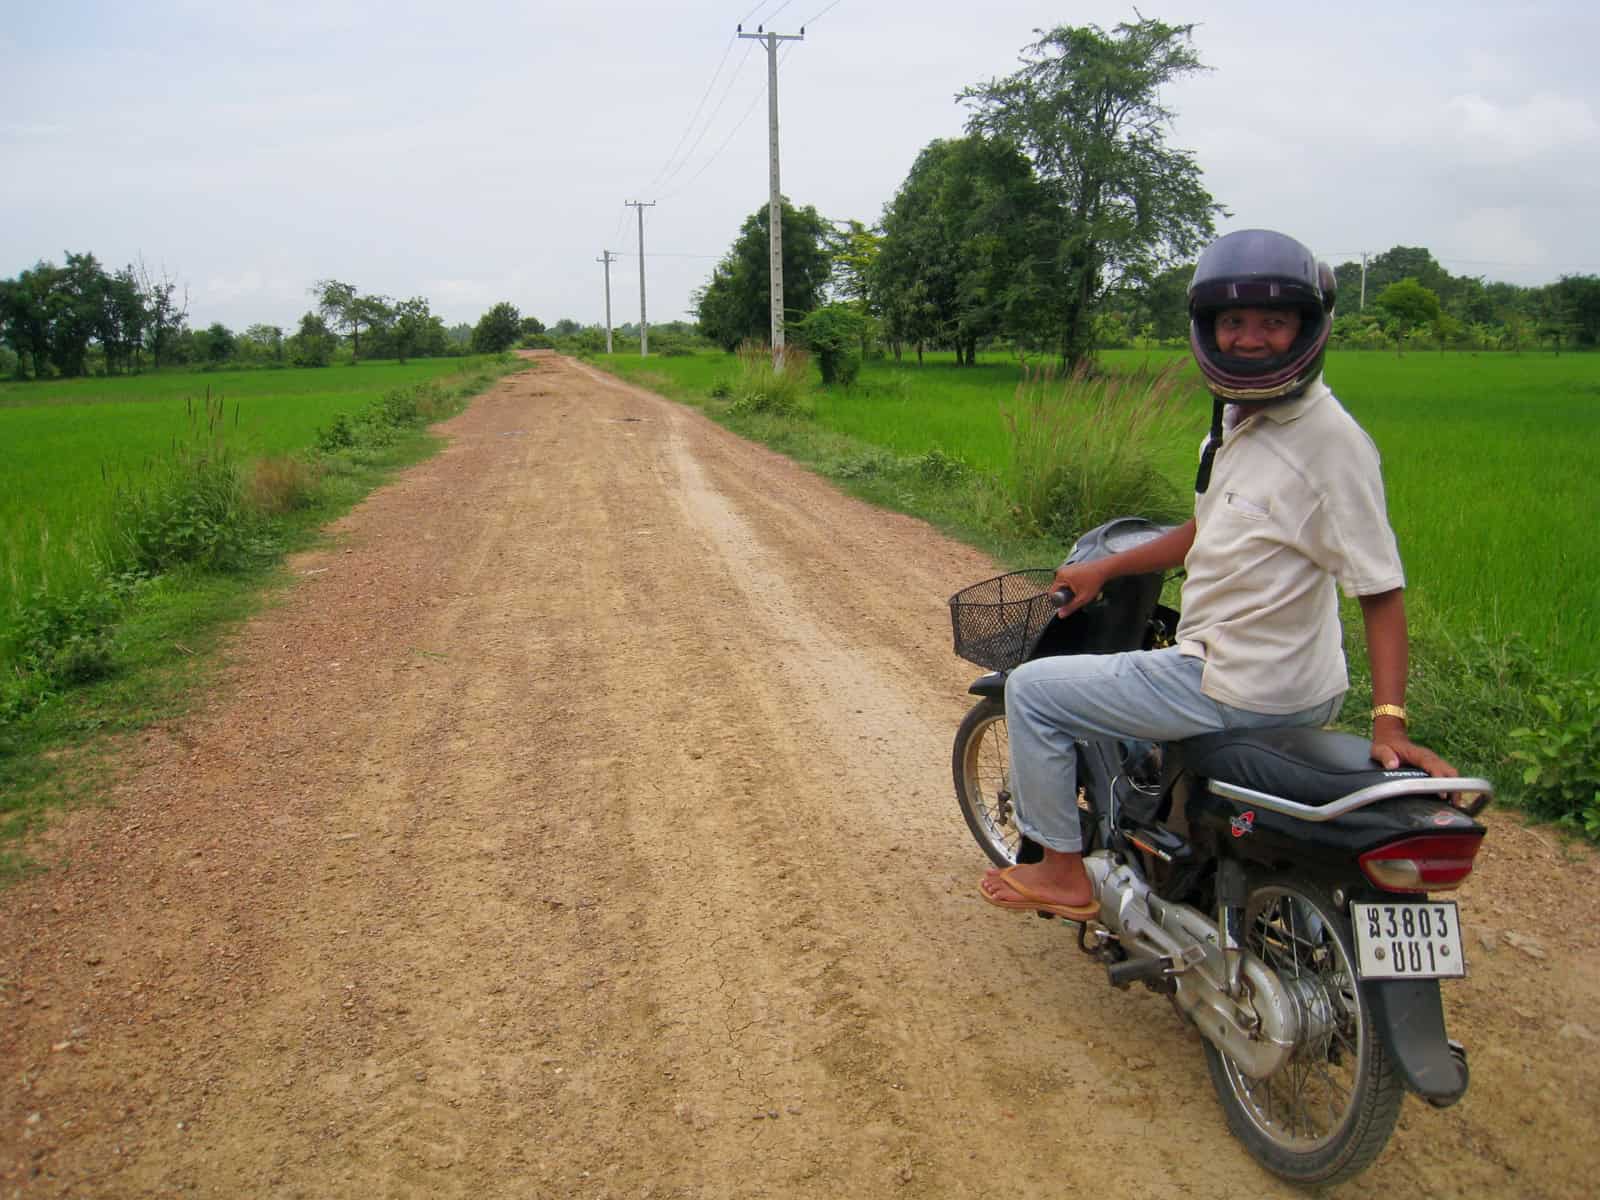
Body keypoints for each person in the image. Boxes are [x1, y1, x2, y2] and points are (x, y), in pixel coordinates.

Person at [979, 228, 1457, 920]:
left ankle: (1061, 872)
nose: (1250, 338)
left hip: (1233, 683)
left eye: (1273, 320)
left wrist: (1390, 724)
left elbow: (1380, 588)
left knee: (1033, 693)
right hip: (1295, 680)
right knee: (1138, 719)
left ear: (1307, 328)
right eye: (1233, 321)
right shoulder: (1242, 420)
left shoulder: (1328, 442)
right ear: (1209, 328)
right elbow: (1207, 530)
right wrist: (1106, 566)